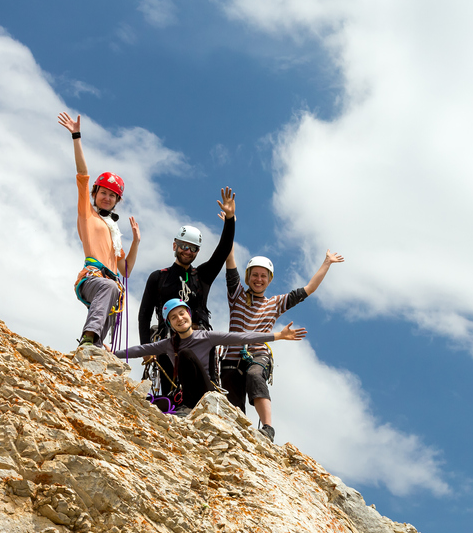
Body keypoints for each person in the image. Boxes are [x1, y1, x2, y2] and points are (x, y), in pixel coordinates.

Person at [221, 247, 344, 441]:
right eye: (254, 275)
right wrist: (229, 224)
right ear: (247, 277)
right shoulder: (236, 296)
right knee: (232, 397)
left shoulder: (275, 303)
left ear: (269, 280)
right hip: (231, 357)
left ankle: (268, 428)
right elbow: (230, 259)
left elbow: (309, 289)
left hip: (257, 354)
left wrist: (327, 262)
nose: (258, 279)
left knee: (255, 376)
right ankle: (235, 433)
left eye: (263, 276)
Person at [116, 299, 307, 417]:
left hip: (207, 391)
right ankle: (183, 406)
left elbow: (242, 337)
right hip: (185, 394)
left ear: (189, 314)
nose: (179, 318)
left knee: (185, 354)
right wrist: (111, 353)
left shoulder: (206, 337)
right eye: (173, 317)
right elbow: (140, 349)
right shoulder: (167, 344)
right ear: (170, 324)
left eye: (182, 313)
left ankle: (187, 407)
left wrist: (278, 336)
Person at [136, 188, 237, 397]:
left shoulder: (203, 276)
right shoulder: (158, 277)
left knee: (203, 389)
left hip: (199, 338)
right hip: (167, 339)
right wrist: (146, 348)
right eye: (183, 245)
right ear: (175, 245)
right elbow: (144, 314)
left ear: (197, 252)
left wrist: (230, 219)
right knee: (170, 392)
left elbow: (223, 250)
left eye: (192, 248)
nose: (187, 251)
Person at [58, 112, 141, 348]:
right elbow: (83, 175)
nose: (106, 197)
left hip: (111, 285)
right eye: (103, 192)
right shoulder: (88, 214)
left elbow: (125, 270)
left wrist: (135, 242)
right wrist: (76, 136)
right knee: (108, 287)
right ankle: (90, 336)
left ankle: (93, 345)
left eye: (112, 195)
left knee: (113, 288)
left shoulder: (114, 231)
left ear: (117, 201)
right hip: (93, 279)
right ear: (95, 194)